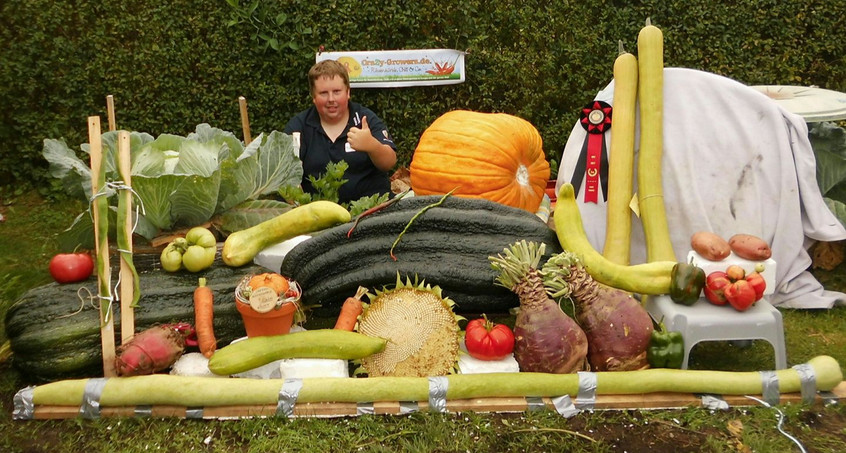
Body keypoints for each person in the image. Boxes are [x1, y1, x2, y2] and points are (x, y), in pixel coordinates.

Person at [284, 59, 397, 204]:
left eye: (337, 92)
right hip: (320, 216)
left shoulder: (364, 119)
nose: (331, 99)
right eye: (323, 93)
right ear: (313, 96)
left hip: (372, 211)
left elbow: (389, 162)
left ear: (348, 92)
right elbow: (287, 178)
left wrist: (372, 146)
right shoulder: (298, 128)